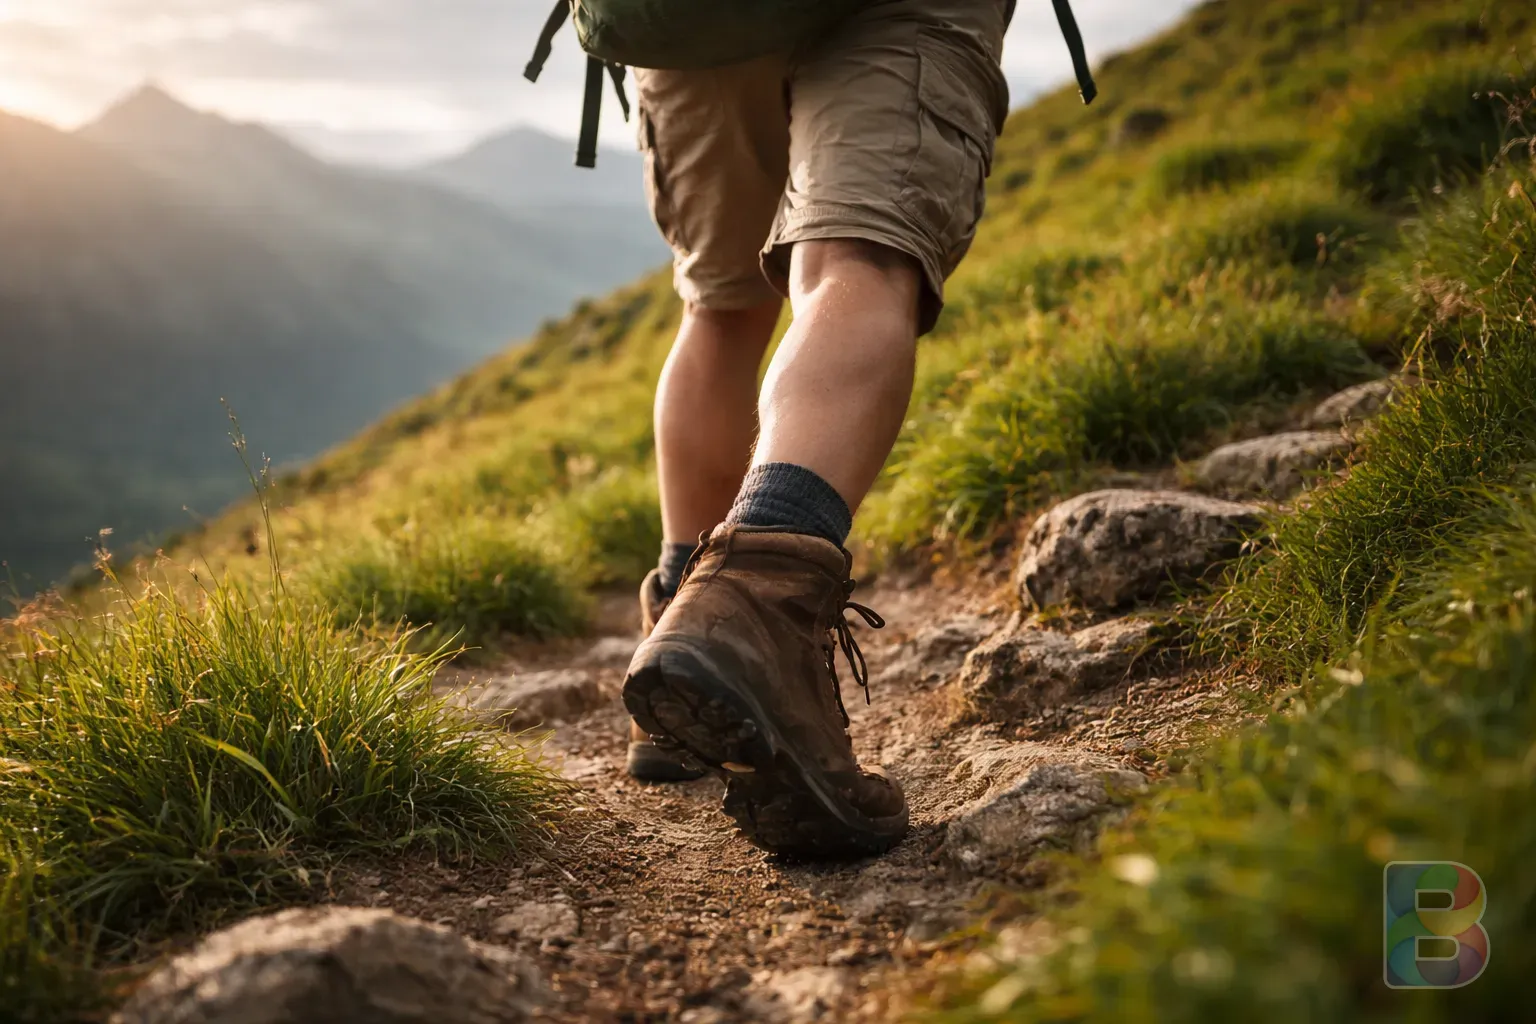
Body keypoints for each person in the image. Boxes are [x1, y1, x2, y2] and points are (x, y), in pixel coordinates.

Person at [621, 0, 1012, 858]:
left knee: (721, 310)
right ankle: (757, 609)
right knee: (856, 257)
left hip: (691, 26)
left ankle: (682, 612)